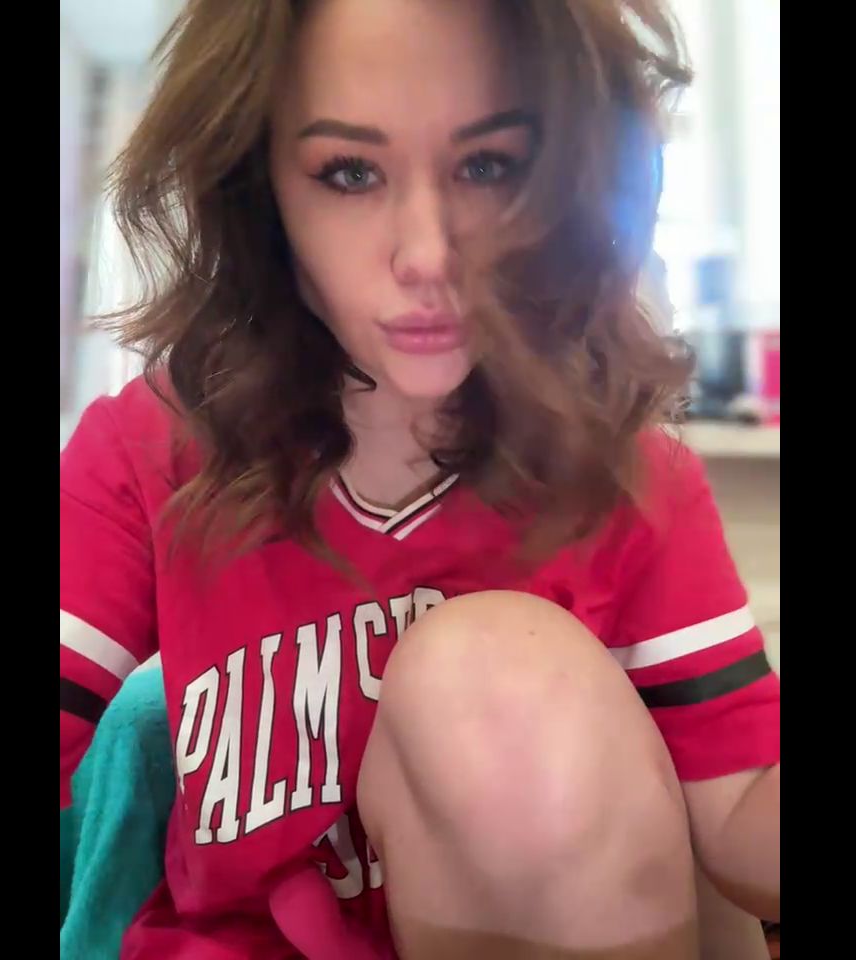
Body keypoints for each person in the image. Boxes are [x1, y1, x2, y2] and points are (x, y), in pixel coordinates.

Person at [59, 1, 780, 957]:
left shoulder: (623, 474)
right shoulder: (151, 448)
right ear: (259, 186)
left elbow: (741, 810)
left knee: (493, 669)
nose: (428, 255)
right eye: (349, 172)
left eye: (487, 166)